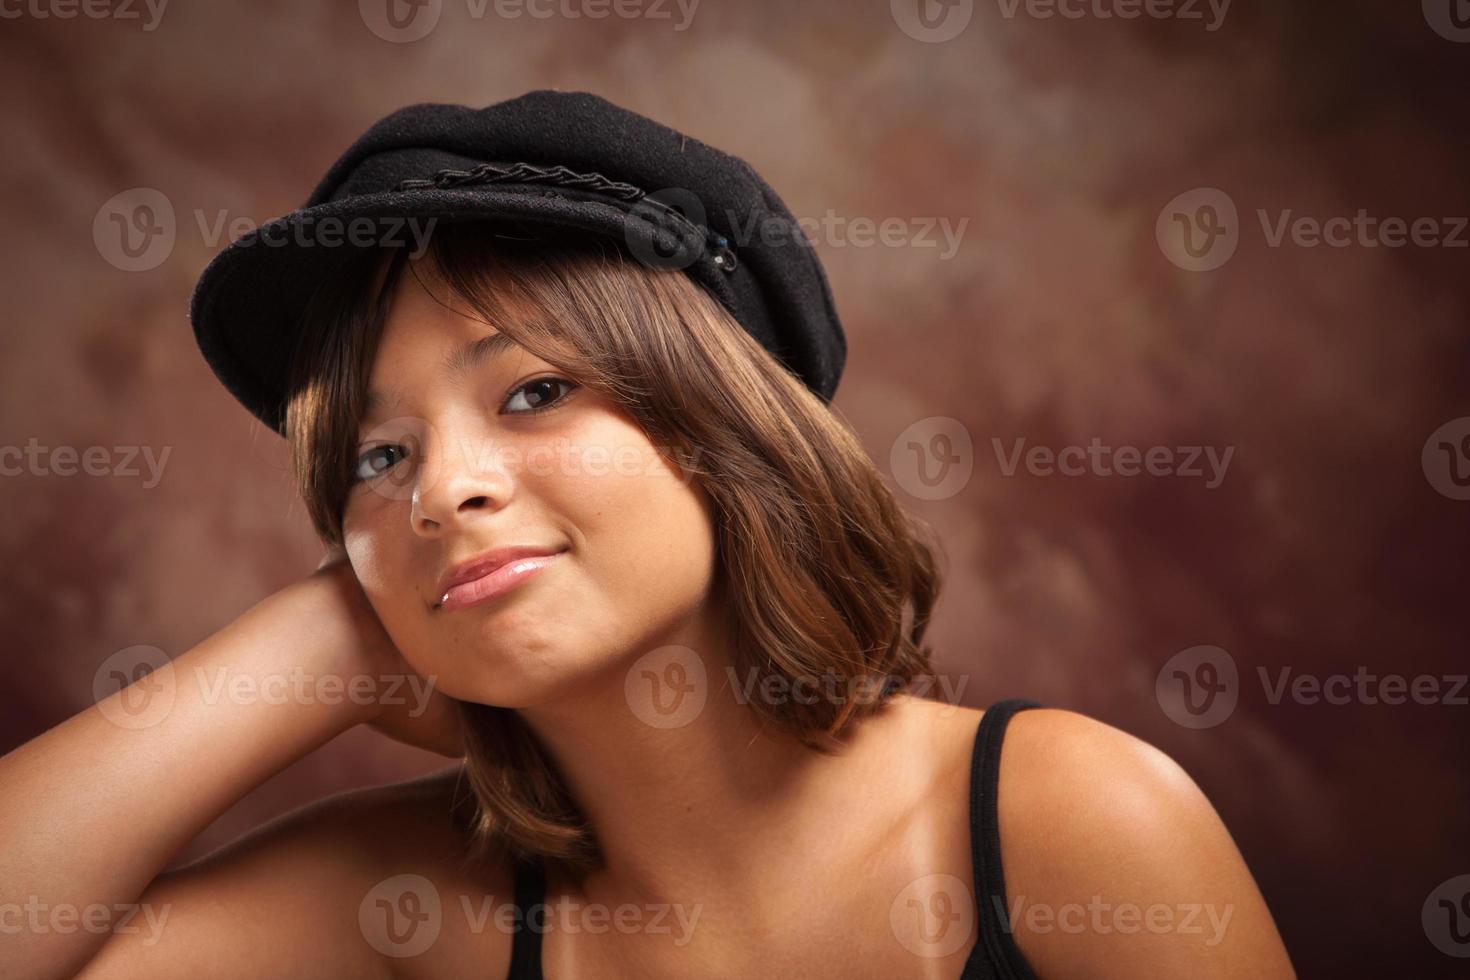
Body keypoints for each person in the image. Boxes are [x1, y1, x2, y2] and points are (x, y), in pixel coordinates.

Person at [1, 92, 1294, 979]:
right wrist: (318, 646)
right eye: (374, 458)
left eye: (533, 391)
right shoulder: (403, 905)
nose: (438, 491)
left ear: (723, 428)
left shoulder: (1058, 821)